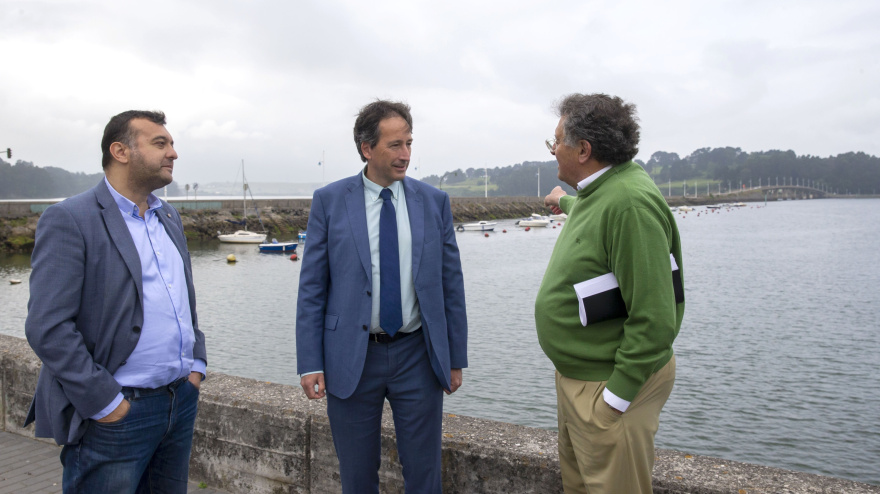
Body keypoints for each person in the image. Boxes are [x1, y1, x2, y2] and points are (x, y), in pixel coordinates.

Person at [24, 110, 206, 493]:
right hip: (119, 410)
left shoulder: (168, 215)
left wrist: (196, 365)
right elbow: (49, 327)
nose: (173, 152)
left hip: (178, 401)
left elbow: (182, 302)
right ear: (120, 151)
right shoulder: (71, 218)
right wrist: (106, 402)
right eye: (160, 143)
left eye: (172, 143)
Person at [296, 100, 468, 493]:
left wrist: (455, 357)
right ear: (366, 148)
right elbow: (312, 289)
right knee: (357, 476)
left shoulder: (434, 202)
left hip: (417, 356)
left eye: (408, 143)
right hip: (351, 356)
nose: (405, 154)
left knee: (425, 474)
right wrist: (310, 363)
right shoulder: (330, 201)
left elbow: (450, 285)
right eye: (394, 145)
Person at [536, 93, 684, 494]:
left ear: (583, 149)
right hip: (582, 378)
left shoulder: (630, 204)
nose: (553, 151)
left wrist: (613, 403)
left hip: (608, 389)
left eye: (557, 142)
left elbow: (655, 319)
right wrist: (562, 201)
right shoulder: (599, 190)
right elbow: (591, 209)